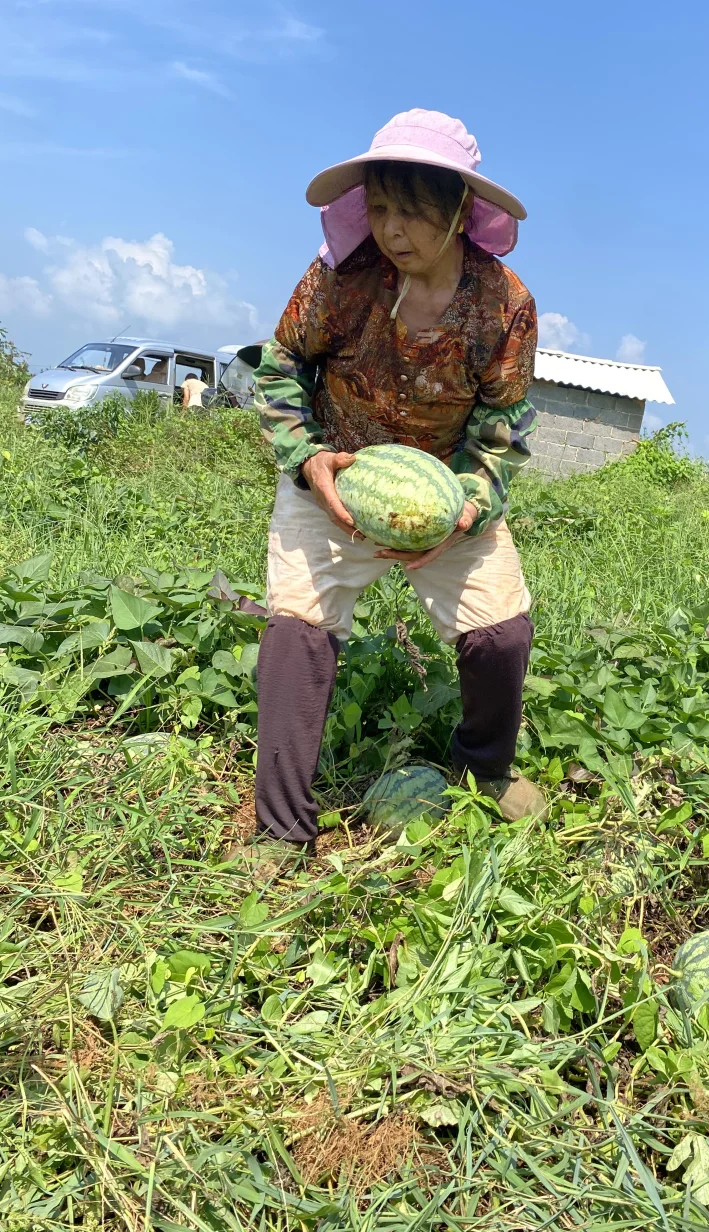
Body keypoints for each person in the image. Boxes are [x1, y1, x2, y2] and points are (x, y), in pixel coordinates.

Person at [238, 109, 544, 871]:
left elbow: (503, 431)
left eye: (411, 210)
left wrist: (465, 510)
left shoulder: (504, 305)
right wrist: (309, 460)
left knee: (500, 632)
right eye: (379, 208)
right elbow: (278, 368)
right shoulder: (342, 279)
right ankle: (280, 828)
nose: (392, 229)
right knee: (296, 633)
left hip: (444, 492)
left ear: (460, 213)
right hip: (333, 481)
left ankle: (484, 772)